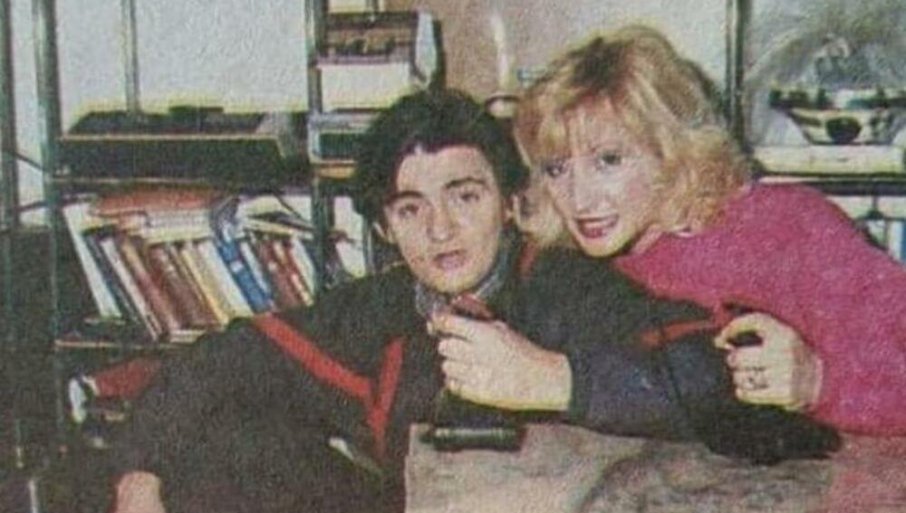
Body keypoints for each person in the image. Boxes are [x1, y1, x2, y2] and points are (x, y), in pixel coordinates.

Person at [110, 88, 833, 513]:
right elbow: (222, 360)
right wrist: (138, 479)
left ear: (511, 203)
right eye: (412, 208)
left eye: (464, 196)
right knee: (225, 445)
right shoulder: (376, 308)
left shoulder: (564, 285)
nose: (441, 229)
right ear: (385, 227)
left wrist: (556, 379)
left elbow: (707, 372)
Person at [512, 24, 906, 437]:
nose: (579, 199)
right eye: (556, 168)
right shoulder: (570, 265)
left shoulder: (784, 228)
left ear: (671, 149)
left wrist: (819, 382)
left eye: (608, 160)